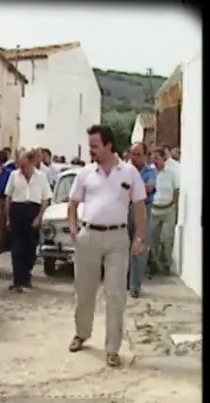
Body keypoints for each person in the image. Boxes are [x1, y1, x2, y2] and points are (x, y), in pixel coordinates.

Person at [67, 125, 147, 368]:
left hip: (117, 238)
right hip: (89, 235)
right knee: (84, 290)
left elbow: (140, 208)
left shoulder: (130, 173)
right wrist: (73, 229)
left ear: (108, 145)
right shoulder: (85, 174)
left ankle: (112, 348)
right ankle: (82, 333)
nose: (91, 150)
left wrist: (139, 237)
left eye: (94, 145)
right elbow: (72, 204)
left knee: (115, 295)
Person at [4, 149, 52, 291]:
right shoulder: (14, 175)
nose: (21, 166)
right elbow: (8, 197)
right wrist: (8, 218)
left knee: (31, 247)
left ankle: (26, 276)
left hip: (33, 210)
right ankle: (17, 280)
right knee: (17, 247)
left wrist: (39, 217)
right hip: (17, 210)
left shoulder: (41, 177)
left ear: (30, 162)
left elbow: (45, 199)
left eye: (23, 162)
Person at [127, 142, 157, 298]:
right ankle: (125, 282)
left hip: (144, 209)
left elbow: (149, 188)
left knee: (139, 248)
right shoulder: (124, 170)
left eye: (138, 154)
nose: (134, 158)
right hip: (125, 209)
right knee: (123, 248)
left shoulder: (150, 171)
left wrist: (131, 185)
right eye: (132, 154)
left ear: (145, 156)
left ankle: (135, 286)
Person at [149, 146, 180, 276]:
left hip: (168, 210)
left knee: (167, 239)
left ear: (163, 159)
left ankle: (167, 263)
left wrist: (175, 207)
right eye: (152, 158)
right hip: (153, 210)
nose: (154, 161)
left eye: (157, 158)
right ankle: (154, 263)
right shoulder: (149, 172)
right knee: (152, 240)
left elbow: (176, 191)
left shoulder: (171, 172)